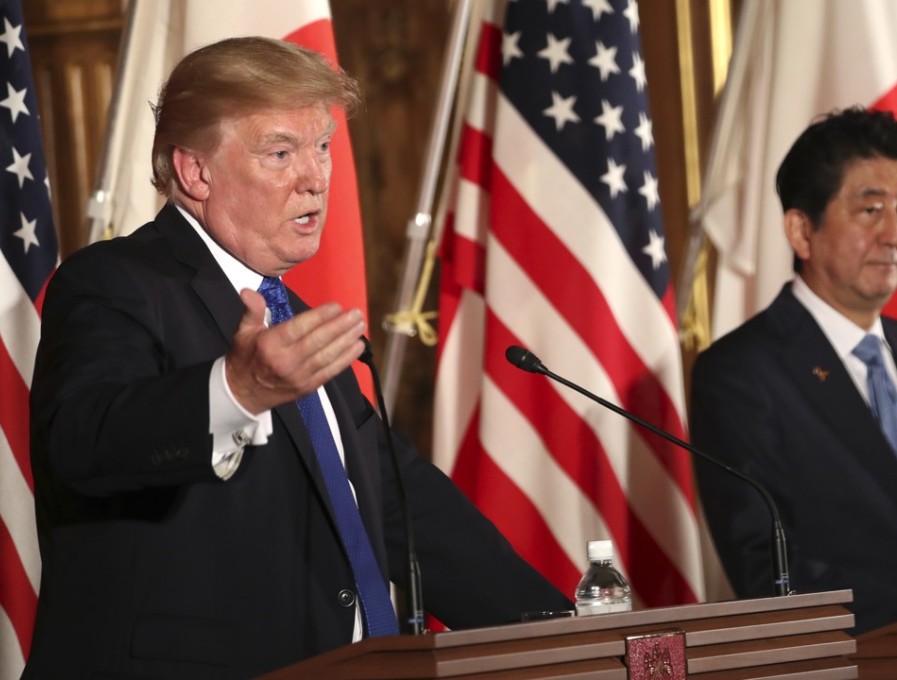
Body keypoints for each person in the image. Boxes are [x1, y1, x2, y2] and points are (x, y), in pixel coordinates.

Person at [25, 36, 571, 678]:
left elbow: (400, 510)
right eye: (280, 153)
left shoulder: (294, 322)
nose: (315, 178)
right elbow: (87, 441)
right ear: (196, 172)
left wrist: (563, 633)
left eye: (321, 149)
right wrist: (235, 391)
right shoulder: (116, 281)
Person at [690, 106, 897, 634]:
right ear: (801, 230)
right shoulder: (741, 373)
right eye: (870, 211)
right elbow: (770, 569)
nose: (895, 235)